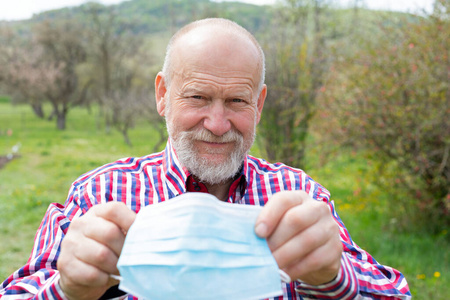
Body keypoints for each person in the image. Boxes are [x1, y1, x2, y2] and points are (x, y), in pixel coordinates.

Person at [0, 18, 411, 300]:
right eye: (197, 97)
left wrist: (334, 279)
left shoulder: (298, 195)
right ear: (163, 95)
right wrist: (66, 290)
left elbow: (396, 291)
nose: (217, 124)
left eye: (236, 101)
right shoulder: (99, 194)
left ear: (260, 104)